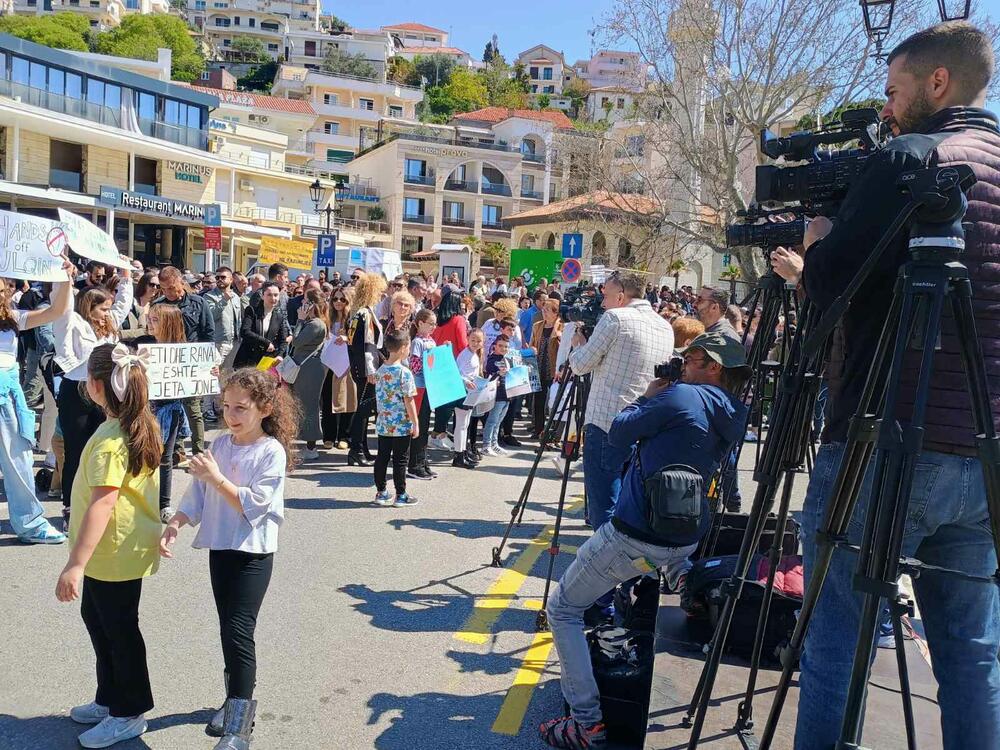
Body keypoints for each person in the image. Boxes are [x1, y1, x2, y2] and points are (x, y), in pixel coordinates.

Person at [767, 21, 1000, 750]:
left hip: (884, 436)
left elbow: (835, 287)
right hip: (984, 455)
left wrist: (814, 248)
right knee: (971, 651)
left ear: (938, 83)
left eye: (895, 91)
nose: (887, 109)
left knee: (839, 637)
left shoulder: (911, 158)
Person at [540, 332, 750, 749]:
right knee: (662, 557)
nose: (682, 365)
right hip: (686, 534)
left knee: (563, 608)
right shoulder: (735, 411)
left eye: (691, 359)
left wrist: (647, 397)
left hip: (636, 535)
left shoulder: (679, 398)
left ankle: (587, 724)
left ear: (714, 367)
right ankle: (682, 577)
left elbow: (617, 432)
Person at [160, 368, 298, 749]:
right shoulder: (222, 444)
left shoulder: (270, 451)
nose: (231, 415)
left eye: (241, 408)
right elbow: (199, 493)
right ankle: (232, 701)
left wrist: (217, 476)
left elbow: (251, 504)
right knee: (228, 629)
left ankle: (240, 725)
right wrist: (178, 521)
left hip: (252, 554)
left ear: (264, 408)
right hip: (221, 549)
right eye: (225, 406)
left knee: (240, 632)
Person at [57, 343, 163, 749]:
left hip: (112, 552)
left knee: (118, 631)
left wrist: (74, 565)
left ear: (96, 386)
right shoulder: (127, 426)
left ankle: (128, 712)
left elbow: (102, 506)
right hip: (117, 550)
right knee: (100, 623)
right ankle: (109, 697)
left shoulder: (111, 439)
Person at [567, 271, 674, 534]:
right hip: (644, 424)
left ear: (621, 296)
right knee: (631, 503)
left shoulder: (615, 318)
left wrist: (579, 344)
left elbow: (580, 366)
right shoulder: (664, 326)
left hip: (606, 422)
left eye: (605, 296)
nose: (602, 303)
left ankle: (603, 562)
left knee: (604, 503)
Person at [54, 264, 135, 530]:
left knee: (102, 447)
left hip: (103, 392)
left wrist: (126, 277)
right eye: (103, 308)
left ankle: (96, 504)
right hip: (76, 391)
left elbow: (123, 304)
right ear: (90, 307)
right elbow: (62, 311)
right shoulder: (74, 322)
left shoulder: (109, 327)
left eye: (109, 308)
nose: (108, 313)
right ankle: (70, 509)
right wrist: (64, 280)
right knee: (76, 451)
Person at [0, 262, 74, 544]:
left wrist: (65, 279)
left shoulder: (14, 319)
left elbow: (55, 312)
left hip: (7, 396)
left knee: (19, 460)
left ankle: (30, 523)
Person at [130, 303, 189, 522]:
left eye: (156, 320)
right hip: (145, 407)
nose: (150, 323)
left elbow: (194, 377)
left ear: (169, 323)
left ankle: (164, 504)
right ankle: (139, 498)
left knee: (165, 457)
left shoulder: (183, 348)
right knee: (142, 453)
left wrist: (207, 373)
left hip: (170, 408)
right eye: (150, 319)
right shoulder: (141, 344)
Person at [156, 266, 214, 455]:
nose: (168, 293)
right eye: (164, 289)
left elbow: (208, 333)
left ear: (182, 282)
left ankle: (198, 451)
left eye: (172, 288)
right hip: (168, 364)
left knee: (194, 408)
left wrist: (208, 362)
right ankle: (177, 450)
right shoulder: (159, 305)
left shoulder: (199, 303)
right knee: (172, 407)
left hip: (193, 363)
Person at [372, 329, 419, 507]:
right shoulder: (404, 373)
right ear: (403, 348)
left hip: (384, 422)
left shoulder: (381, 370)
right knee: (400, 459)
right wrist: (415, 422)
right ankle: (401, 494)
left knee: (382, 457)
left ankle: (381, 491)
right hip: (401, 423)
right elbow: (409, 399)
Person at [346, 272, 386, 466]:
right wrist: (371, 370)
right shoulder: (365, 314)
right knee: (363, 411)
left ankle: (362, 448)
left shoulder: (360, 312)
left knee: (364, 409)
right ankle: (355, 450)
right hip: (366, 368)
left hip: (361, 366)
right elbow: (366, 344)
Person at [288, 289, 328, 460]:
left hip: (310, 369)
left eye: (305, 301)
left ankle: (311, 447)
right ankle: (308, 443)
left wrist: (299, 320)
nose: (302, 304)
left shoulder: (315, 324)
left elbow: (296, 341)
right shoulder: (314, 322)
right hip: (307, 367)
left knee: (309, 406)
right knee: (303, 404)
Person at [428, 286, 469, 451]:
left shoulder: (436, 318)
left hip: (437, 364)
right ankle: (440, 434)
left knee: (442, 404)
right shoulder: (458, 319)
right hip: (455, 367)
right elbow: (463, 344)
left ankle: (438, 434)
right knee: (454, 404)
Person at [202, 267, 242, 422]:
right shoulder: (209, 296)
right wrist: (224, 300)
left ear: (231, 280)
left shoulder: (236, 297)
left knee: (226, 376)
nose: (219, 280)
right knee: (212, 375)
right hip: (218, 341)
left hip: (234, 341)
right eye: (217, 277)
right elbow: (211, 316)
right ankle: (207, 408)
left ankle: (220, 407)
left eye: (223, 277)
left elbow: (237, 318)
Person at [322, 287, 357, 450]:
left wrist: (347, 338)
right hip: (328, 363)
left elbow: (359, 339)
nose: (338, 302)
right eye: (335, 299)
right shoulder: (327, 317)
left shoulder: (352, 319)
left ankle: (344, 436)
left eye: (342, 299)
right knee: (328, 398)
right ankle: (329, 435)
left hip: (346, 364)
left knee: (347, 399)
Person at [406, 308, 438, 479]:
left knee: (425, 426)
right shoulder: (418, 341)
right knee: (420, 424)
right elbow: (415, 365)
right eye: (430, 323)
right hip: (419, 387)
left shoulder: (431, 340)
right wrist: (430, 360)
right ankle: (414, 464)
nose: (434, 327)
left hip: (429, 386)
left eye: (434, 324)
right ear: (420, 323)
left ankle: (423, 461)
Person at [233, 282, 290, 370]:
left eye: (276, 295)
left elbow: (283, 340)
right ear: (263, 296)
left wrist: (279, 355)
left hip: (266, 361)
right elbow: (245, 332)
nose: (273, 298)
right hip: (248, 358)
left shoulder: (279, 316)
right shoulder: (252, 310)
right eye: (269, 295)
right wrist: (266, 343)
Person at [530, 299, 563, 437]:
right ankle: (538, 429)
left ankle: (553, 432)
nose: (544, 313)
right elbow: (533, 343)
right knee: (538, 401)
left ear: (556, 313)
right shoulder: (537, 326)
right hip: (539, 367)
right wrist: (532, 348)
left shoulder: (562, 327)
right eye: (543, 310)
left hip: (554, 369)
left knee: (554, 401)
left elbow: (565, 348)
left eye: (547, 310)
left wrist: (559, 336)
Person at [482, 334, 512, 456]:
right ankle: (486, 445)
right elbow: (490, 372)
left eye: (505, 347)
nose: (503, 349)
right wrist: (498, 373)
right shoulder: (493, 359)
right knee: (492, 420)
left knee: (498, 421)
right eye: (500, 346)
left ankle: (494, 444)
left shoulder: (506, 359)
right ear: (495, 346)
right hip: (498, 394)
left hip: (507, 394)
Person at [120, 271, 159, 343]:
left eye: (158, 286)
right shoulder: (131, 303)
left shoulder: (157, 305)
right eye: (152, 285)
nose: (155, 288)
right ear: (144, 284)